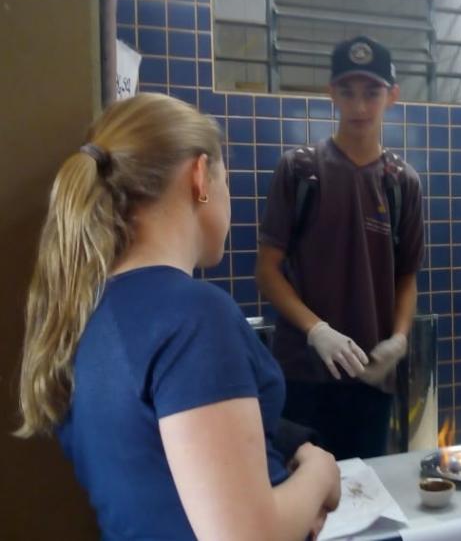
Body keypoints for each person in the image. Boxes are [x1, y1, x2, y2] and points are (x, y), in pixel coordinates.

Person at [15, 93, 341, 540]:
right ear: (200, 176)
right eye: (228, 182)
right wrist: (319, 475)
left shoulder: (84, 309)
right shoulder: (194, 317)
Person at [257, 36, 424, 459]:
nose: (360, 106)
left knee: (368, 494)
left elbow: (407, 275)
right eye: (348, 92)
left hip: (371, 375)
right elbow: (267, 270)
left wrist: (400, 340)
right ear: (331, 94)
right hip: (303, 373)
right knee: (304, 498)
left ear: (392, 97)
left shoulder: (402, 182)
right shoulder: (299, 171)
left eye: (372, 93)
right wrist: (317, 331)